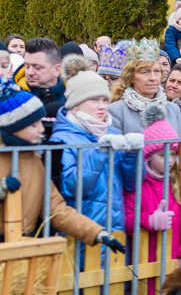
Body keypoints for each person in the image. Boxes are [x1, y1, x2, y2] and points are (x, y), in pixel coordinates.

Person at [0, 82, 125, 253]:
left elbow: (56, 209)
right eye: (34, 125)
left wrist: (97, 232)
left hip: (22, 247)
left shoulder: (35, 161)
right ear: (13, 127)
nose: (42, 129)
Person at [49, 55, 139, 261]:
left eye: (104, 100)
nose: (101, 106)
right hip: (82, 235)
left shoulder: (113, 132)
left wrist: (133, 155)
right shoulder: (62, 138)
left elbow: (131, 183)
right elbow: (73, 187)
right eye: (93, 100)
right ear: (76, 104)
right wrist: (99, 152)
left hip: (115, 229)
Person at [127, 103, 181, 262]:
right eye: (162, 155)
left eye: (173, 154)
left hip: (179, 260)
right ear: (148, 156)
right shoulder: (137, 183)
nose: (170, 160)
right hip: (147, 261)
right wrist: (148, 220)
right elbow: (126, 218)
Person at [109, 39, 181, 137]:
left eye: (156, 71)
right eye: (145, 72)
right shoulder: (116, 111)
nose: (153, 78)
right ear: (132, 77)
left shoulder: (174, 110)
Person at [21, 38, 67, 138]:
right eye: (27, 66)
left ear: (57, 70)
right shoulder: (12, 99)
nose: (29, 73)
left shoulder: (74, 97)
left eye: (37, 67)